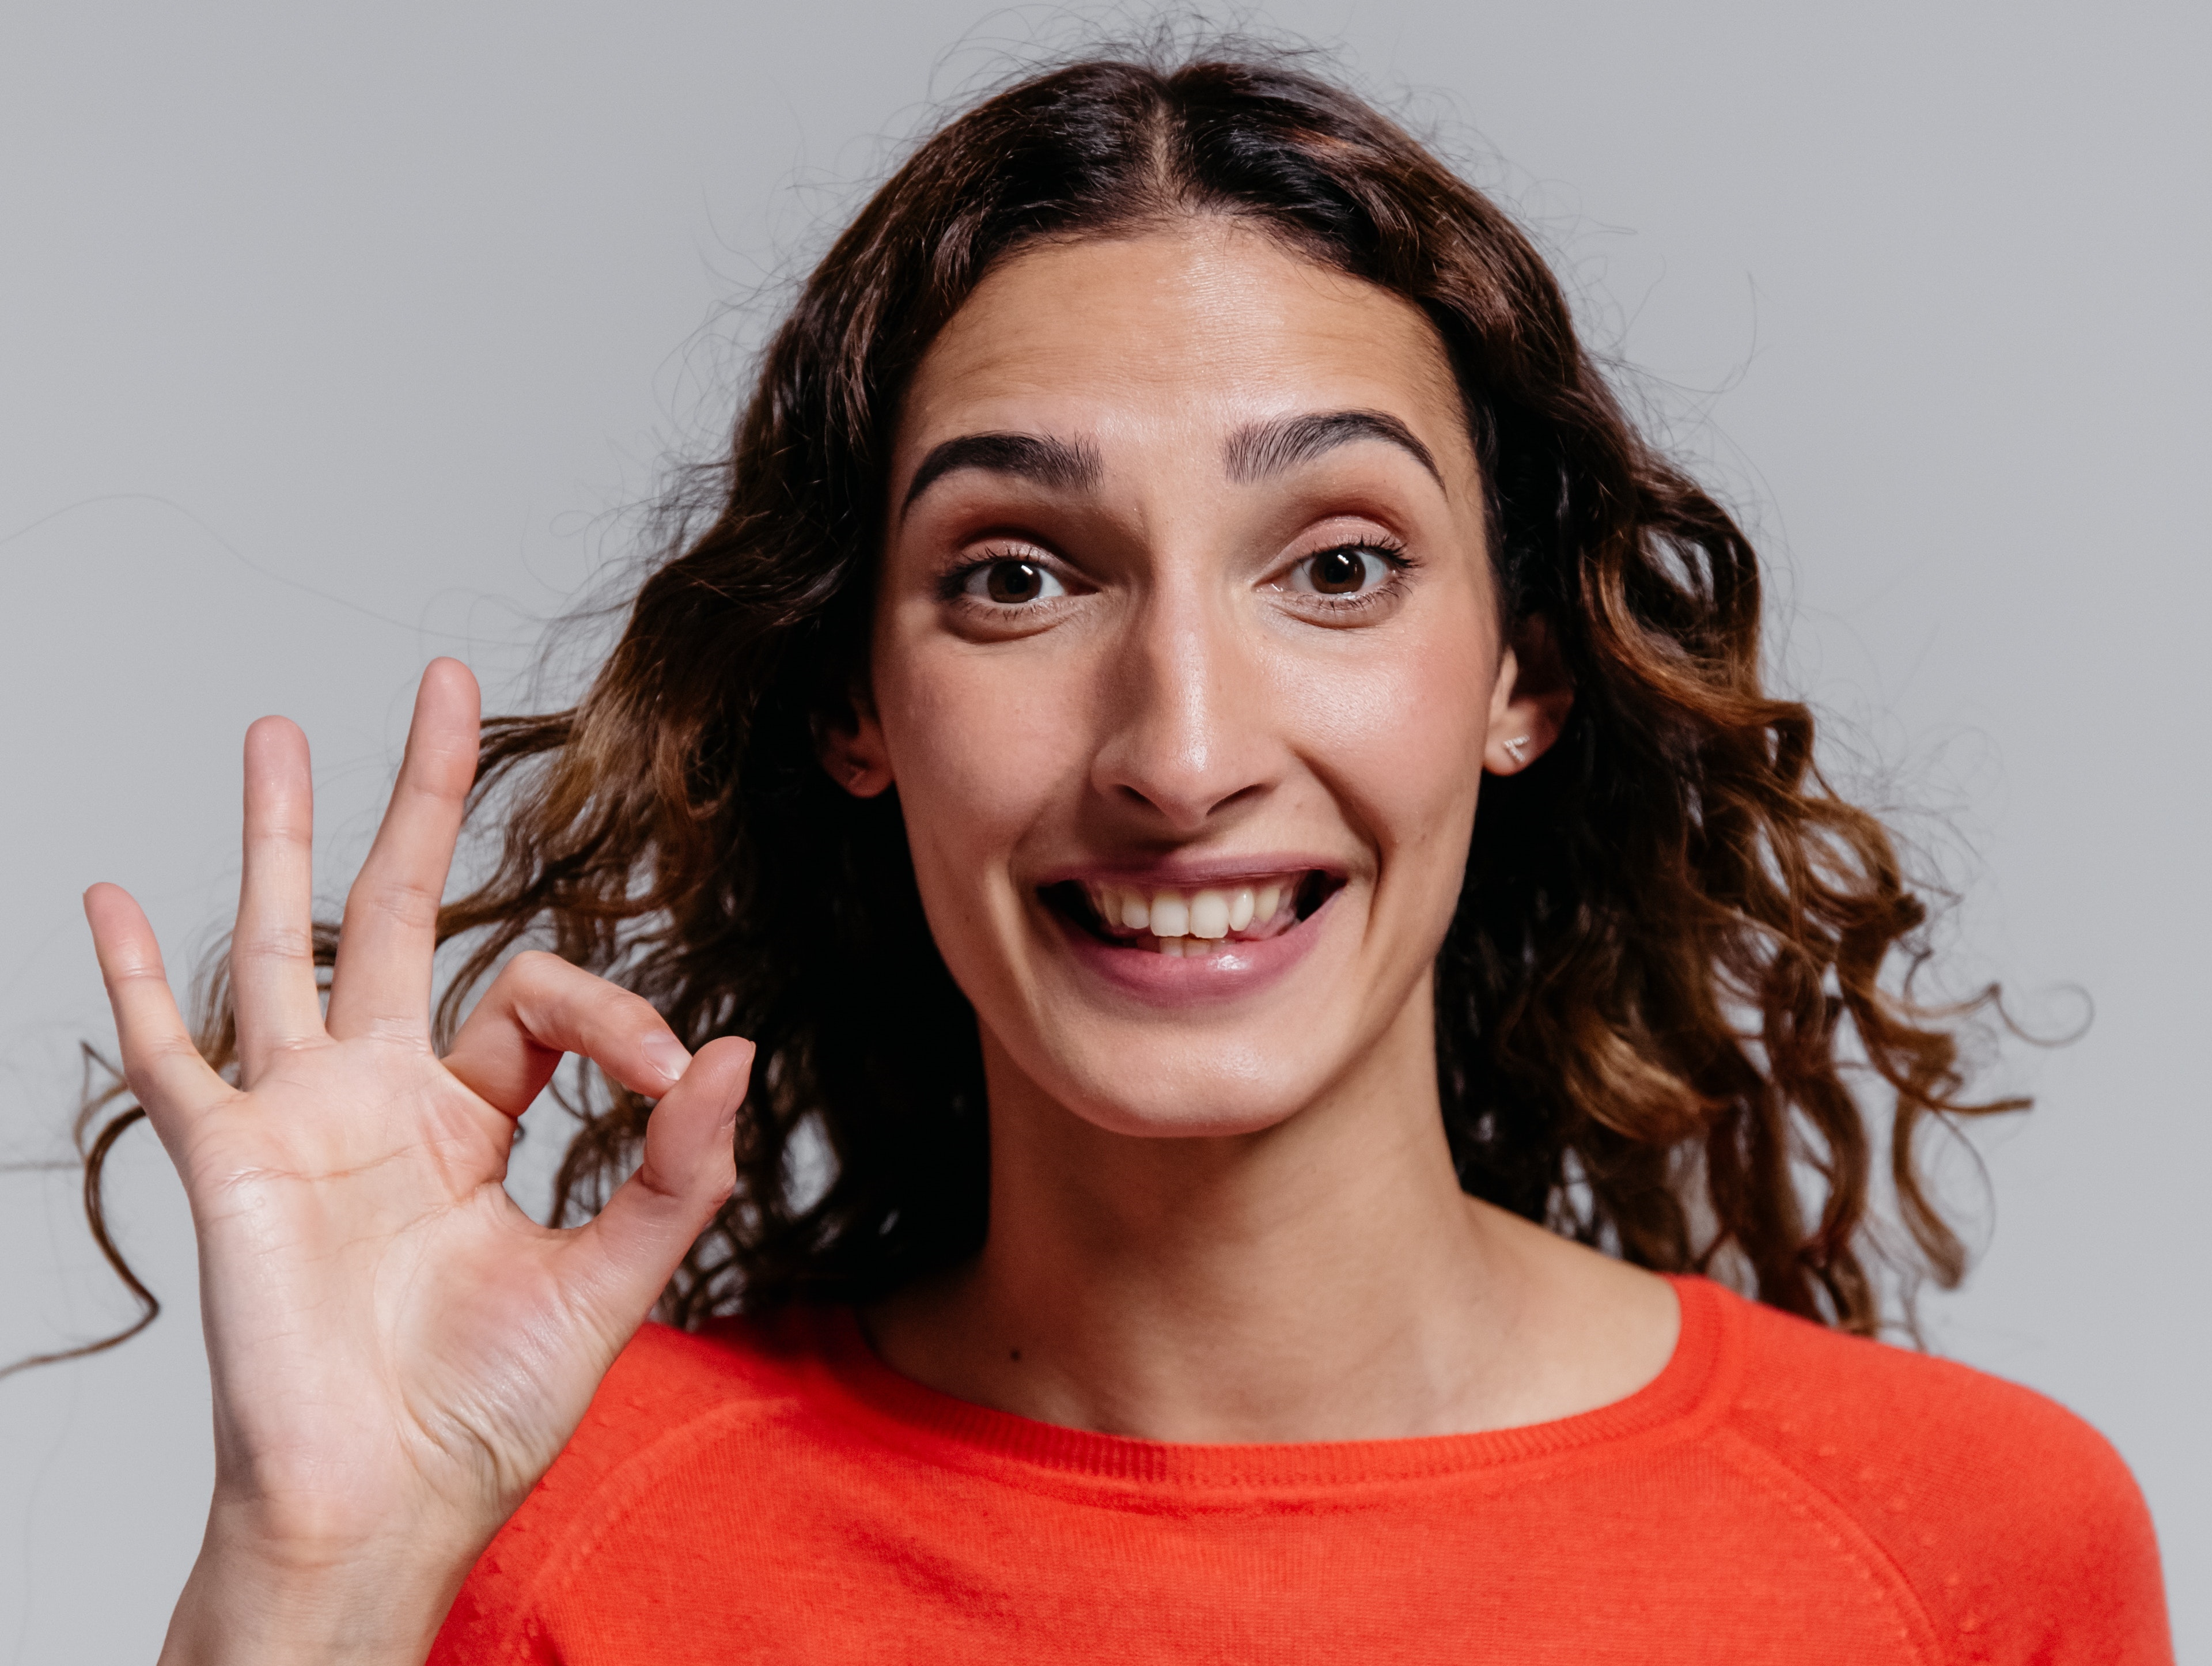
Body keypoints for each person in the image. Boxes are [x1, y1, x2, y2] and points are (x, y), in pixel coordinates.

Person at [77, 52, 2168, 1665]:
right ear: (855, 707)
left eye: (1338, 566)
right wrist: (315, 1575)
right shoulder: (528, 1538)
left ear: (1525, 671)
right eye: (1016, 577)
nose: (1179, 752)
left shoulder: (1965, 1550)